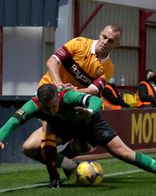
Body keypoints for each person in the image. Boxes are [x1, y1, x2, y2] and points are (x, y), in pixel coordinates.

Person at [0, 84, 156, 188]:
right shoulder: (34, 105)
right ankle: (63, 172)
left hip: (89, 122)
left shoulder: (68, 96)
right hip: (64, 128)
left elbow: (96, 101)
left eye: (53, 106)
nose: (50, 110)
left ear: (58, 98)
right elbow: (13, 121)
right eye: (46, 108)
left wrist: (90, 111)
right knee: (29, 146)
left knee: (124, 154)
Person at [19, 24, 122, 172]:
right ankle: (65, 169)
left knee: (86, 145)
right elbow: (52, 62)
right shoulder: (79, 44)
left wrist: (75, 92)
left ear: (117, 45)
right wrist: (59, 86)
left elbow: (93, 90)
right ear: (100, 34)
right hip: (51, 98)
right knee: (30, 147)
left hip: (70, 104)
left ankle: (61, 161)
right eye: (104, 37)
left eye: (110, 40)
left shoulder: (108, 68)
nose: (105, 42)